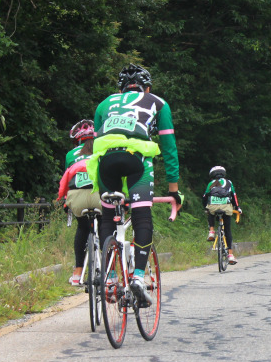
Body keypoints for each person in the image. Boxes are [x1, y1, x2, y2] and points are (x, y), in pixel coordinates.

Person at [87, 64, 182, 307]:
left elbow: (96, 138)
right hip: (136, 159)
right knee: (142, 216)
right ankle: (138, 277)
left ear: (120, 89)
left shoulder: (104, 104)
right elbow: (169, 147)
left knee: (108, 217)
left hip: (105, 161)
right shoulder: (157, 102)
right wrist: (173, 190)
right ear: (146, 87)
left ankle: (108, 278)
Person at [57, 120, 102, 286]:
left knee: (82, 227)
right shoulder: (104, 149)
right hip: (99, 195)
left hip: (77, 197)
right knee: (105, 226)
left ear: (76, 140)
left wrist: (65, 203)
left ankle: (77, 272)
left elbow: (67, 179)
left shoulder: (71, 155)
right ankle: (110, 272)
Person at [203, 166, 242, 264]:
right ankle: (230, 255)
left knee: (210, 210)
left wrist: (206, 207)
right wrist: (237, 207)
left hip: (213, 207)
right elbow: (234, 196)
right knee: (227, 230)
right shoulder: (229, 182)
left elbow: (205, 197)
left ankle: (211, 231)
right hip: (226, 208)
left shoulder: (211, 183)